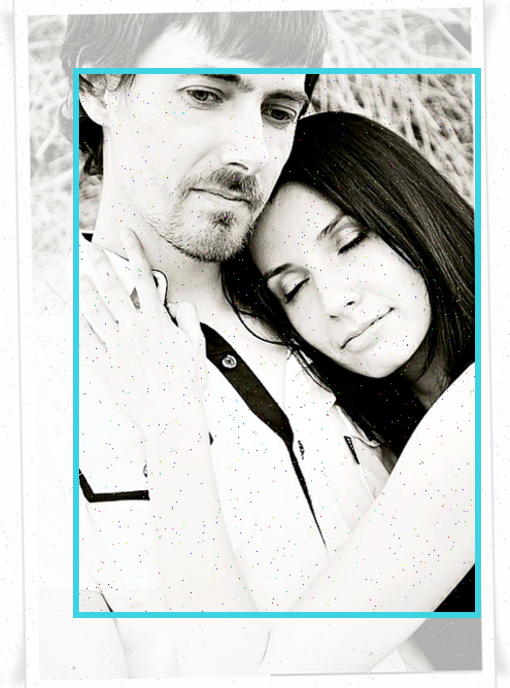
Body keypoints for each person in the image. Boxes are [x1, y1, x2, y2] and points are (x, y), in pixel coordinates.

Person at [32, 12, 477, 680]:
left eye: (278, 111)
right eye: (205, 94)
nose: (251, 151)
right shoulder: (33, 390)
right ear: (97, 86)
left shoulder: (348, 326)